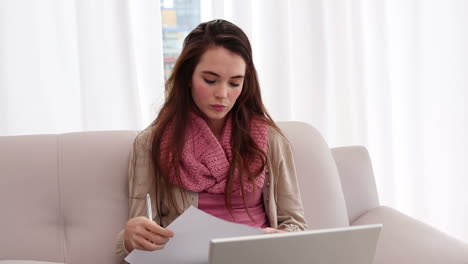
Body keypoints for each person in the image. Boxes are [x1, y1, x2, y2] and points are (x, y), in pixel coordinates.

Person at [115, 19, 306, 262]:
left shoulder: (270, 140)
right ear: (187, 77)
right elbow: (142, 238)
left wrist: (281, 238)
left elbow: (296, 224)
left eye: (235, 82)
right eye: (210, 80)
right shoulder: (151, 143)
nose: (223, 94)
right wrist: (130, 237)